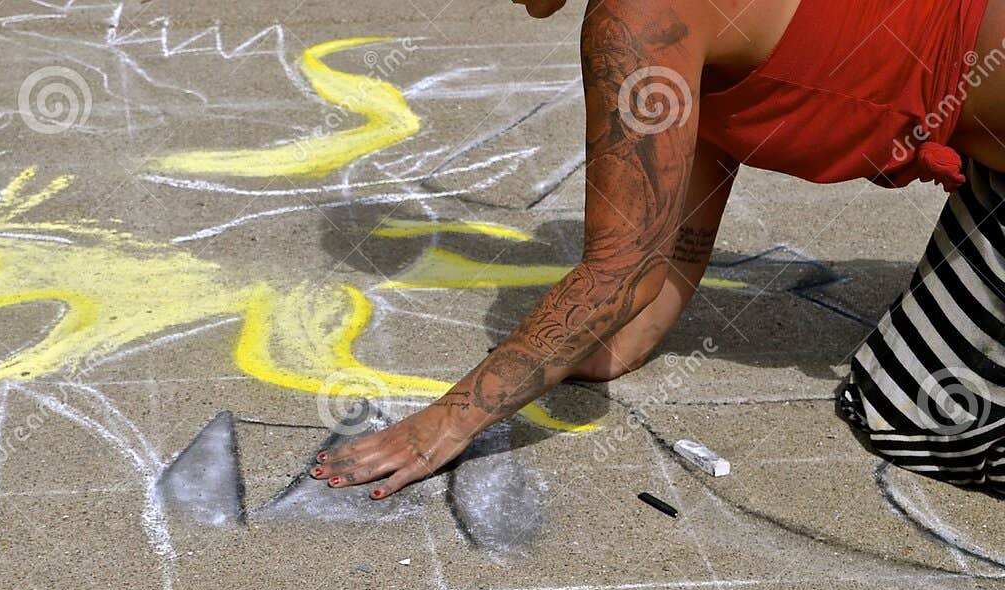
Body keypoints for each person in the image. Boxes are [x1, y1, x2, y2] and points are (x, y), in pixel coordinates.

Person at [313, 0, 1005, 497]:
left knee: (927, 420)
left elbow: (621, 270)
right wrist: (597, 347)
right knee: (904, 394)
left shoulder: (640, 17)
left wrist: (446, 422)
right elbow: (676, 236)